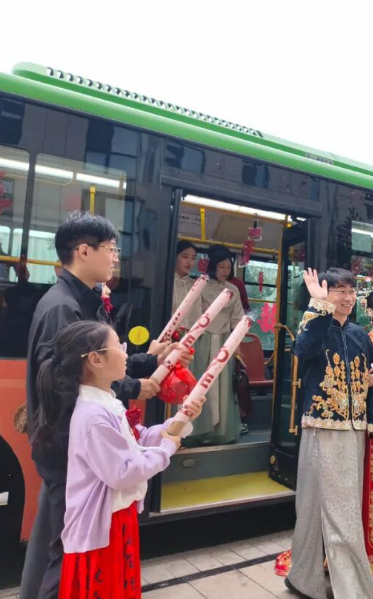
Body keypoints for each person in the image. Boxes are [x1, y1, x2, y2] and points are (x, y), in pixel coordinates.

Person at [20, 212, 192, 599]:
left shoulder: (81, 299)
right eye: (111, 249)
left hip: (74, 448)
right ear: (84, 251)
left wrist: (148, 358)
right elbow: (69, 377)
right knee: (67, 554)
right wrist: (133, 387)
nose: (116, 257)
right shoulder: (63, 307)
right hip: (71, 449)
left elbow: (98, 360)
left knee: (58, 544)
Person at [32, 320, 200, 598]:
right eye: (119, 347)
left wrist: (182, 419)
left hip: (115, 520)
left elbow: (138, 439)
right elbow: (123, 472)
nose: (125, 354)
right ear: (96, 359)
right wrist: (166, 450)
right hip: (103, 530)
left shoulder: (106, 402)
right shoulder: (94, 415)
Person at [284, 268, 373, 599]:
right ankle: (348, 590)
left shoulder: (359, 335)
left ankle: (304, 578)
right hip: (321, 427)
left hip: (352, 432)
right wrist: (318, 305)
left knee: (335, 508)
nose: (347, 297)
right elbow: (303, 350)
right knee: (318, 509)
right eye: (339, 290)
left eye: (351, 291)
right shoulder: (314, 323)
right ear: (326, 294)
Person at [187, 244, 245, 446]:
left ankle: (220, 431)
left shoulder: (233, 289)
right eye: (222, 267)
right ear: (213, 266)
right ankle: (196, 430)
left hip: (225, 341)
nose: (225, 271)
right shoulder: (201, 285)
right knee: (199, 382)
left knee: (222, 386)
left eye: (228, 268)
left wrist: (236, 345)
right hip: (202, 338)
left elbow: (237, 318)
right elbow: (194, 313)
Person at [172, 240, 202, 336]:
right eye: (185, 257)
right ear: (175, 256)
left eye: (193, 258)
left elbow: (197, 314)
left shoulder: (195, 285)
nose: (189, 262)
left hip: (186, 336)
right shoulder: (165, 281)